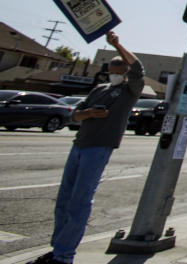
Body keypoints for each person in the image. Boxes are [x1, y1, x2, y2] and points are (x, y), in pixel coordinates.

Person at [29, 31, 143, 264]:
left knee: (79, 201)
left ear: (125, 74)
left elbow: (139, 68)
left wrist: (118, 45)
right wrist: (89, 113)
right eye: (112, 72)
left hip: (99, 148)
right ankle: (58, 250)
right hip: (79, 145)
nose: (114, 75)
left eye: (119, 72)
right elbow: (75, 116)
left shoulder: (128, 91)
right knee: (64, 201)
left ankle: (64, 257)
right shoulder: (98, 90)